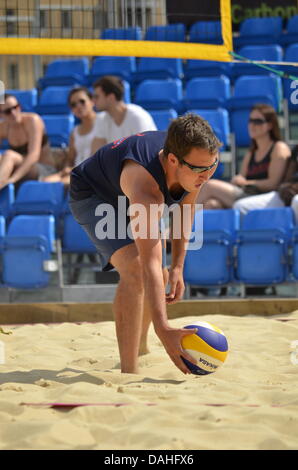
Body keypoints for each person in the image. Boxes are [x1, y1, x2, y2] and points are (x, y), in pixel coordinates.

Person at [69, 114, 221, 375]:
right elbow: (149, 259)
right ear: (173, 160)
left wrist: (177, 267)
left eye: (213, 166)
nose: (207, 175)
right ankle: (129, 372)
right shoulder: (145, 187)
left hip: (124, 189)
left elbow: (185, 212)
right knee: (137, 269)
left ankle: (140, 346)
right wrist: (164, 328)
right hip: (94, 194)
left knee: (160, 275)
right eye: (200, 169)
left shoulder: (196, 162)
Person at [196, 103, 291, 209]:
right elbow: (242, 177)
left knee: (209, 185)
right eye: (250, 121)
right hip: (248, 194)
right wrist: (238, 179)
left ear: (270, 125)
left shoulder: (278, 148)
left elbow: (273, 183)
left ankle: (180, 220)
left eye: (258, 121)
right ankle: (188, 223)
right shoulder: (252, 152)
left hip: (266, 197)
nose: (252, 125)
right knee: (212, 204)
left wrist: (246, 182)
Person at [43, 86, 103, 185]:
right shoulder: (74, 132)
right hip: (76, 172)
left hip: (94, 172)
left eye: (82, 101)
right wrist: (67, 168)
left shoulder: (104, 122)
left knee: (64, 183)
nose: (78, 106)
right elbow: (71, 159)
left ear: (92, 101)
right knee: (46, 182)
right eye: (73, 105)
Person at [0, 93, 56, 189]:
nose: (13, 113)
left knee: (9, 155)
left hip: (44, 170)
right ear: (1, 115)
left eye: (16, 107)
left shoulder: (32, 120)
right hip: (20, 168)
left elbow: (34, 156)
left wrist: (12, 180)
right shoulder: (3, 127)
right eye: (8, 111)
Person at [90, 75, 157, 152]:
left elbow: (144, 154)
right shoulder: (101, 118)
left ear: (111, 97)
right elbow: (95, 154)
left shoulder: (137, 117)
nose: (93, 101)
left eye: (96, 96)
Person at [234, 145, 298, 221]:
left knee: (296, 202)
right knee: (241, 206)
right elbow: (288, 179)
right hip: (287, 195)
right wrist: (287, 186)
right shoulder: (296, 149)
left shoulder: (279, 147)